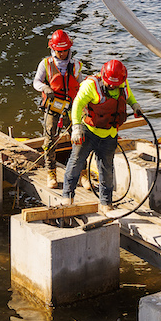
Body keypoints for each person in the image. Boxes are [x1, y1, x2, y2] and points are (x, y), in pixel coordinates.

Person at [62, 59, 142, 213]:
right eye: (110, 83)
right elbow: (77, 105)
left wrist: (135, 105)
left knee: (106, 169)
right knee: (76, 162)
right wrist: (76, 128)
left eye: (115, 84)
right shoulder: (91, 85)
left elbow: (129, 97)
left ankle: (106, 203)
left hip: (109, 135)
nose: (112, 86)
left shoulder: (123, 84)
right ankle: (67, 197)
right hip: (88, 132)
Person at [32, 29, 83, 188]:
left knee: (80, 139)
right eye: (59, 51)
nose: (62, 54)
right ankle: (51, 173)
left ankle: (82, 173)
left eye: (65, 50)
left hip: (72, 108)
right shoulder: (45, 64)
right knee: (49, 141)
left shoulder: (75, 65)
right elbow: (36, 82)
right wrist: (45, 88)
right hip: (53, 108)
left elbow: (81, 86)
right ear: (53, 49)